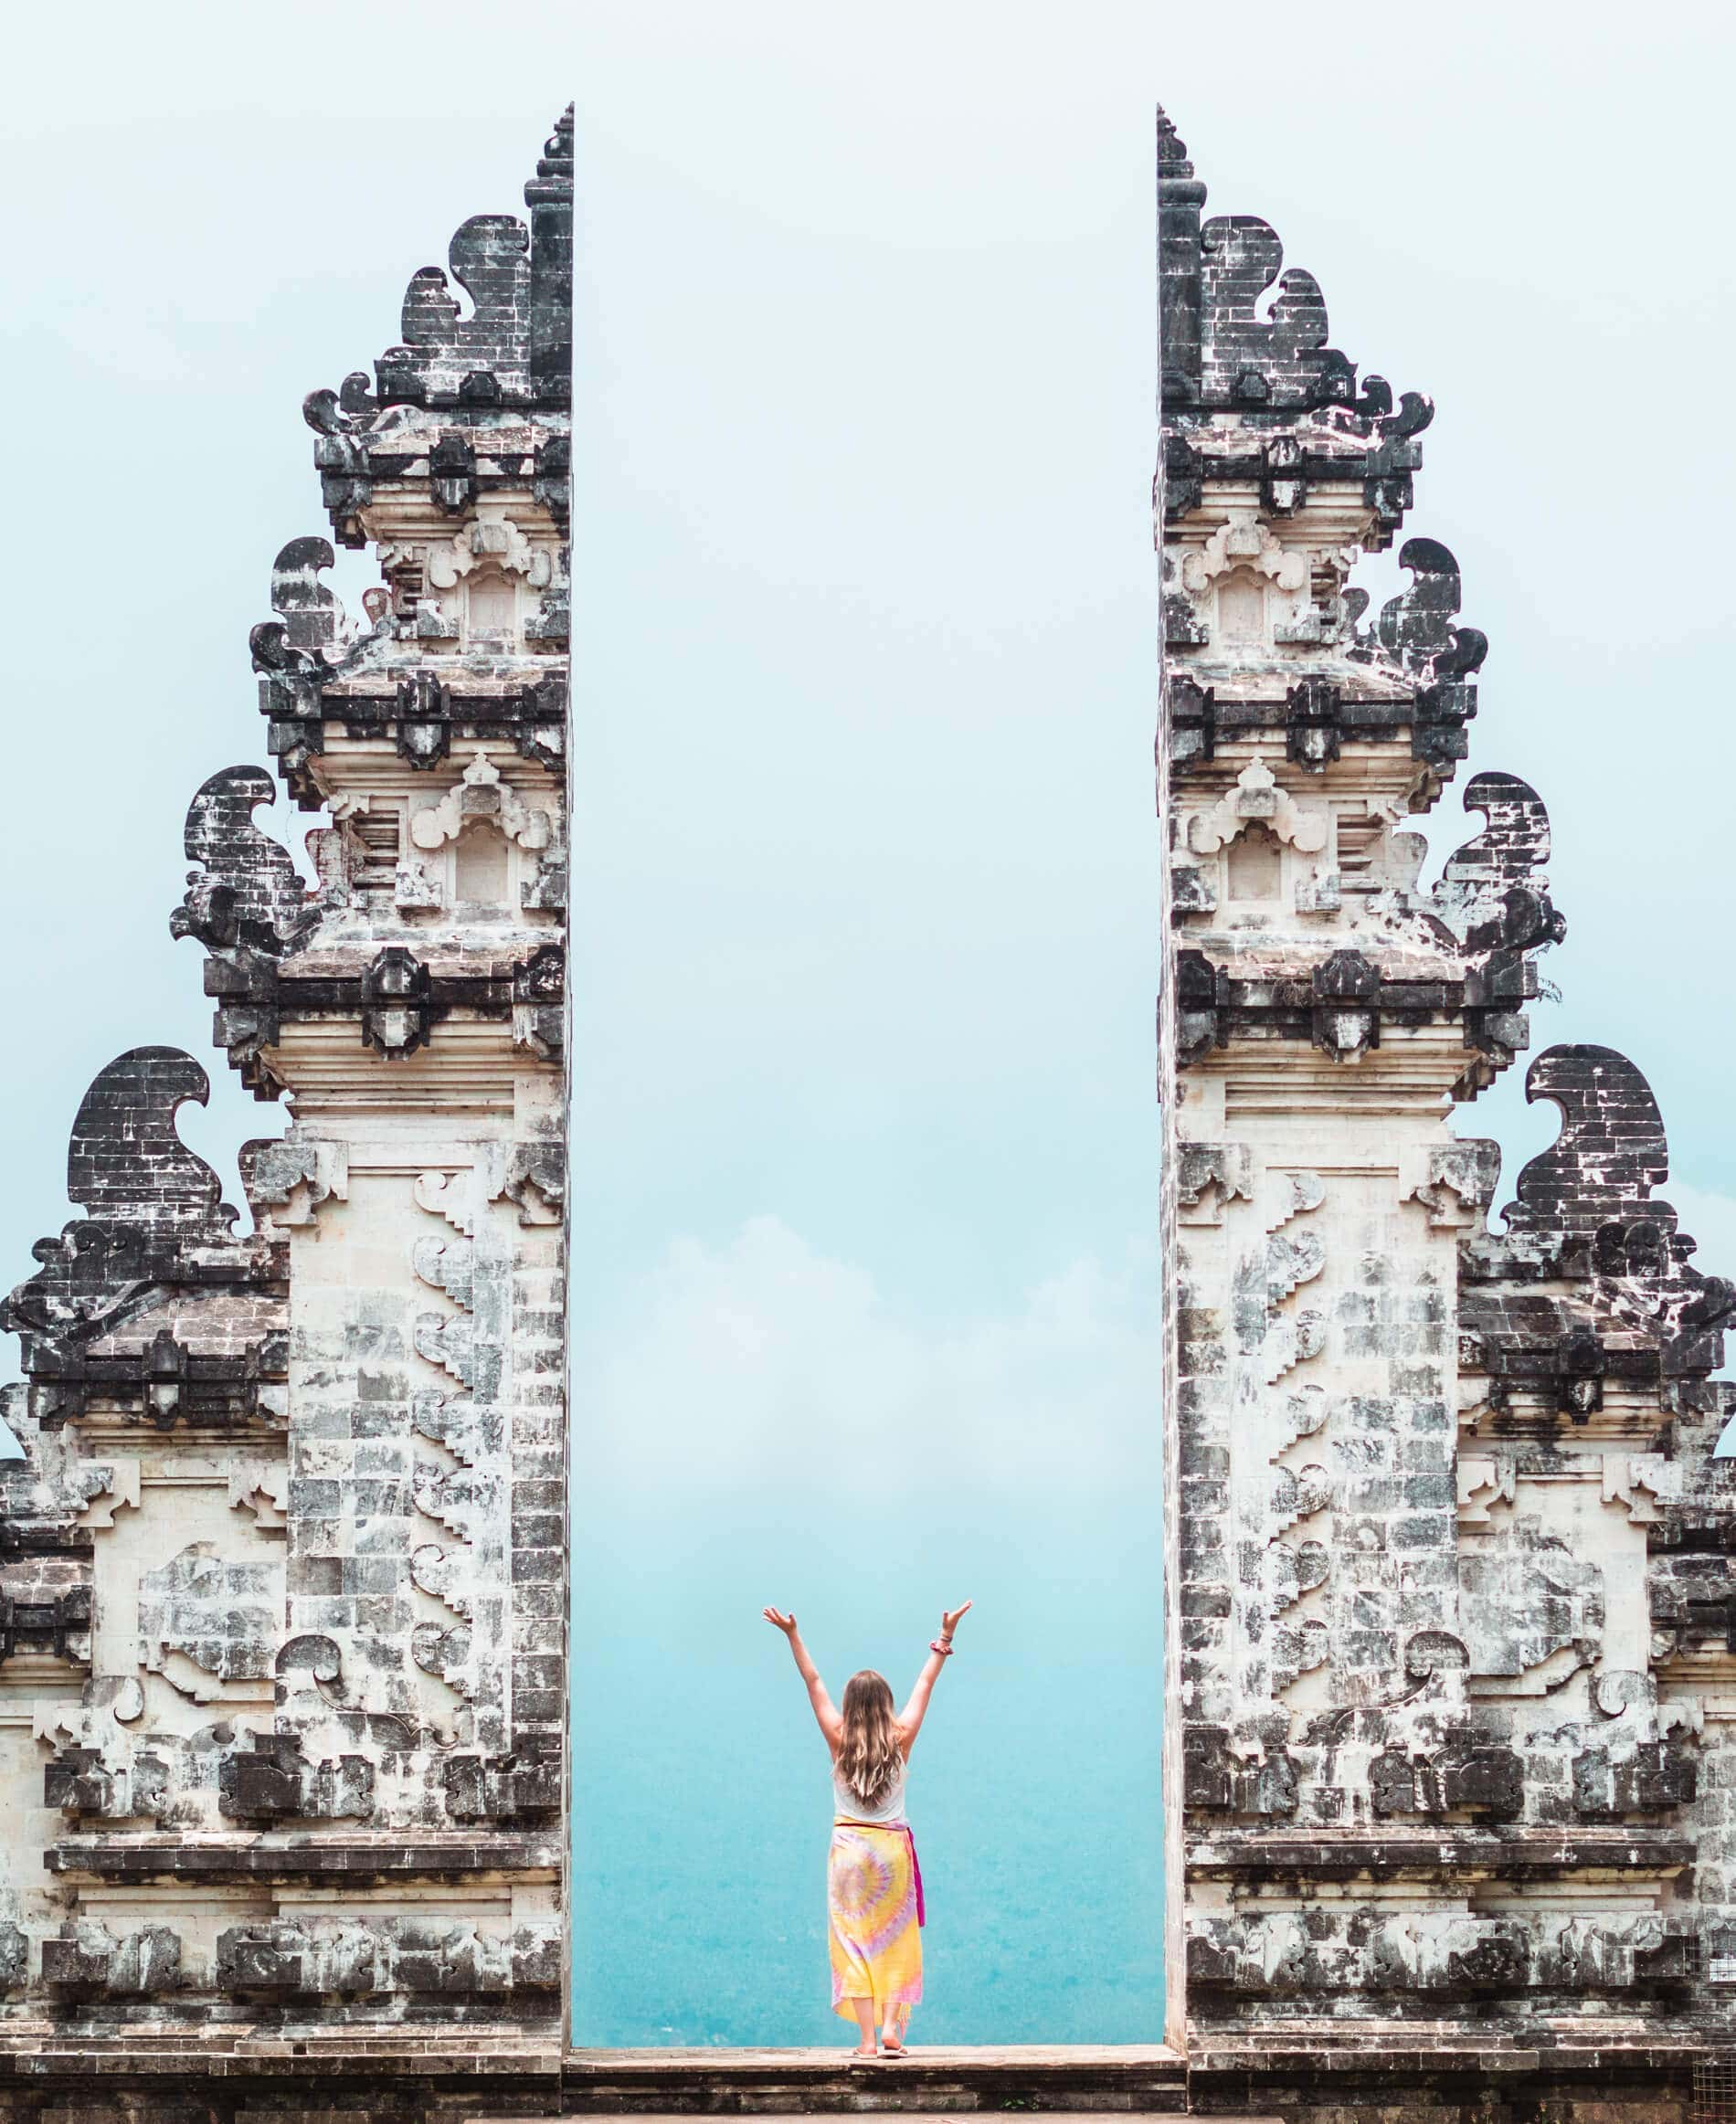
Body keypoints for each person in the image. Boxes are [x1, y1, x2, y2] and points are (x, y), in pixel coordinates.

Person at [762, 1600, 972, 2058]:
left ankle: (866, 2042)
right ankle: (893, 2027)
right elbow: (925, 1683)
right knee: (896, 1936)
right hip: (892, 1848)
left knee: (853, 1942)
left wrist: (792, 1635)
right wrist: (945, 1637)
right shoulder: (902, 1738)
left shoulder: (837, 1738)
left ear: (851, 1707)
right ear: (885, 1706)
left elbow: (812, 1682)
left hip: (849, 1850)